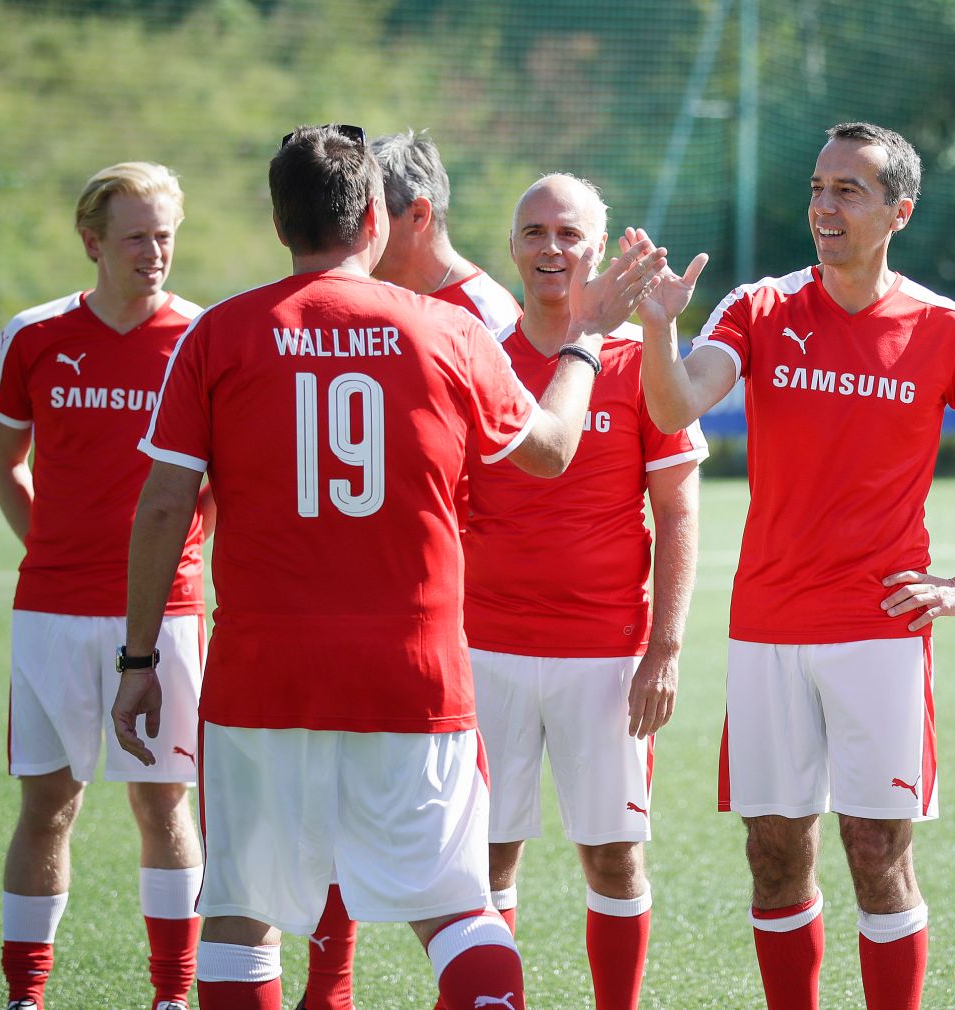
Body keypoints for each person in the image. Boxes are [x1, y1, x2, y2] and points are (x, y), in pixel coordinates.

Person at [112, 124, 663, 1010]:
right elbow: (555, 448)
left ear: (281, 220)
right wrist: (589, 337)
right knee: (457, 909)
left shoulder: (217, 334)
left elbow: (166, 506)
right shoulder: (447, 331)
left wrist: (139, 661)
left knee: (243, 916)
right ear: (373, 214)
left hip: (262, 681)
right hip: (414, 679)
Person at [637, 121, 955, 1010]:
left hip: (879, 634)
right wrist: (659, 330)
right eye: (819, 187)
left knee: (877, 853)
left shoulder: (948, 329)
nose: (824, 206)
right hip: (768, 630)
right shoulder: (758, 307)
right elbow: (676, 405)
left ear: (900, 210)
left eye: (848, 190)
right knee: (773, 854)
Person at [297, 171, 706, 1010]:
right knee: (485, 855)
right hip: (481, 651)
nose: (551, 249)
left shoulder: (639, 364)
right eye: (533, 233)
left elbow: (677, 511)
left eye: (569, 235)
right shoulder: (475, 352)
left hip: (606, 658)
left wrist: (662, 652)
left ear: (599, 248)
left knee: (615, 855)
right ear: (513, 248)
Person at [289, 125, 530, 1010]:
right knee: (332, 823)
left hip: (462, 626)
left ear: (412, 217)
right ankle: (331, 990)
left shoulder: (484, 319)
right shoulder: (361, 315)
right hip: (379, 623)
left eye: (371, 216)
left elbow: (529, 477)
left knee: (467, 862)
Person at [0, 160, 207, 1010]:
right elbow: (4, 458)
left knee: (163, 805)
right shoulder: (35, 336)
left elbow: (216, 485)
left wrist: (169, 564)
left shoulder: (200, 336)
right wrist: (49, 545)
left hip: (169, 617)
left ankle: (171, 996)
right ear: (92, 243)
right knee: (49, 805)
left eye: (165, 236)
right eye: (136, 237)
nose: (155, 253)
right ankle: (25, 995)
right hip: (49, 611)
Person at [369, 129, 521, 330]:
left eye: (374, 213)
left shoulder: (488, 312)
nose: (364, 227)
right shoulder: (369, 298)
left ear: (418, 214)